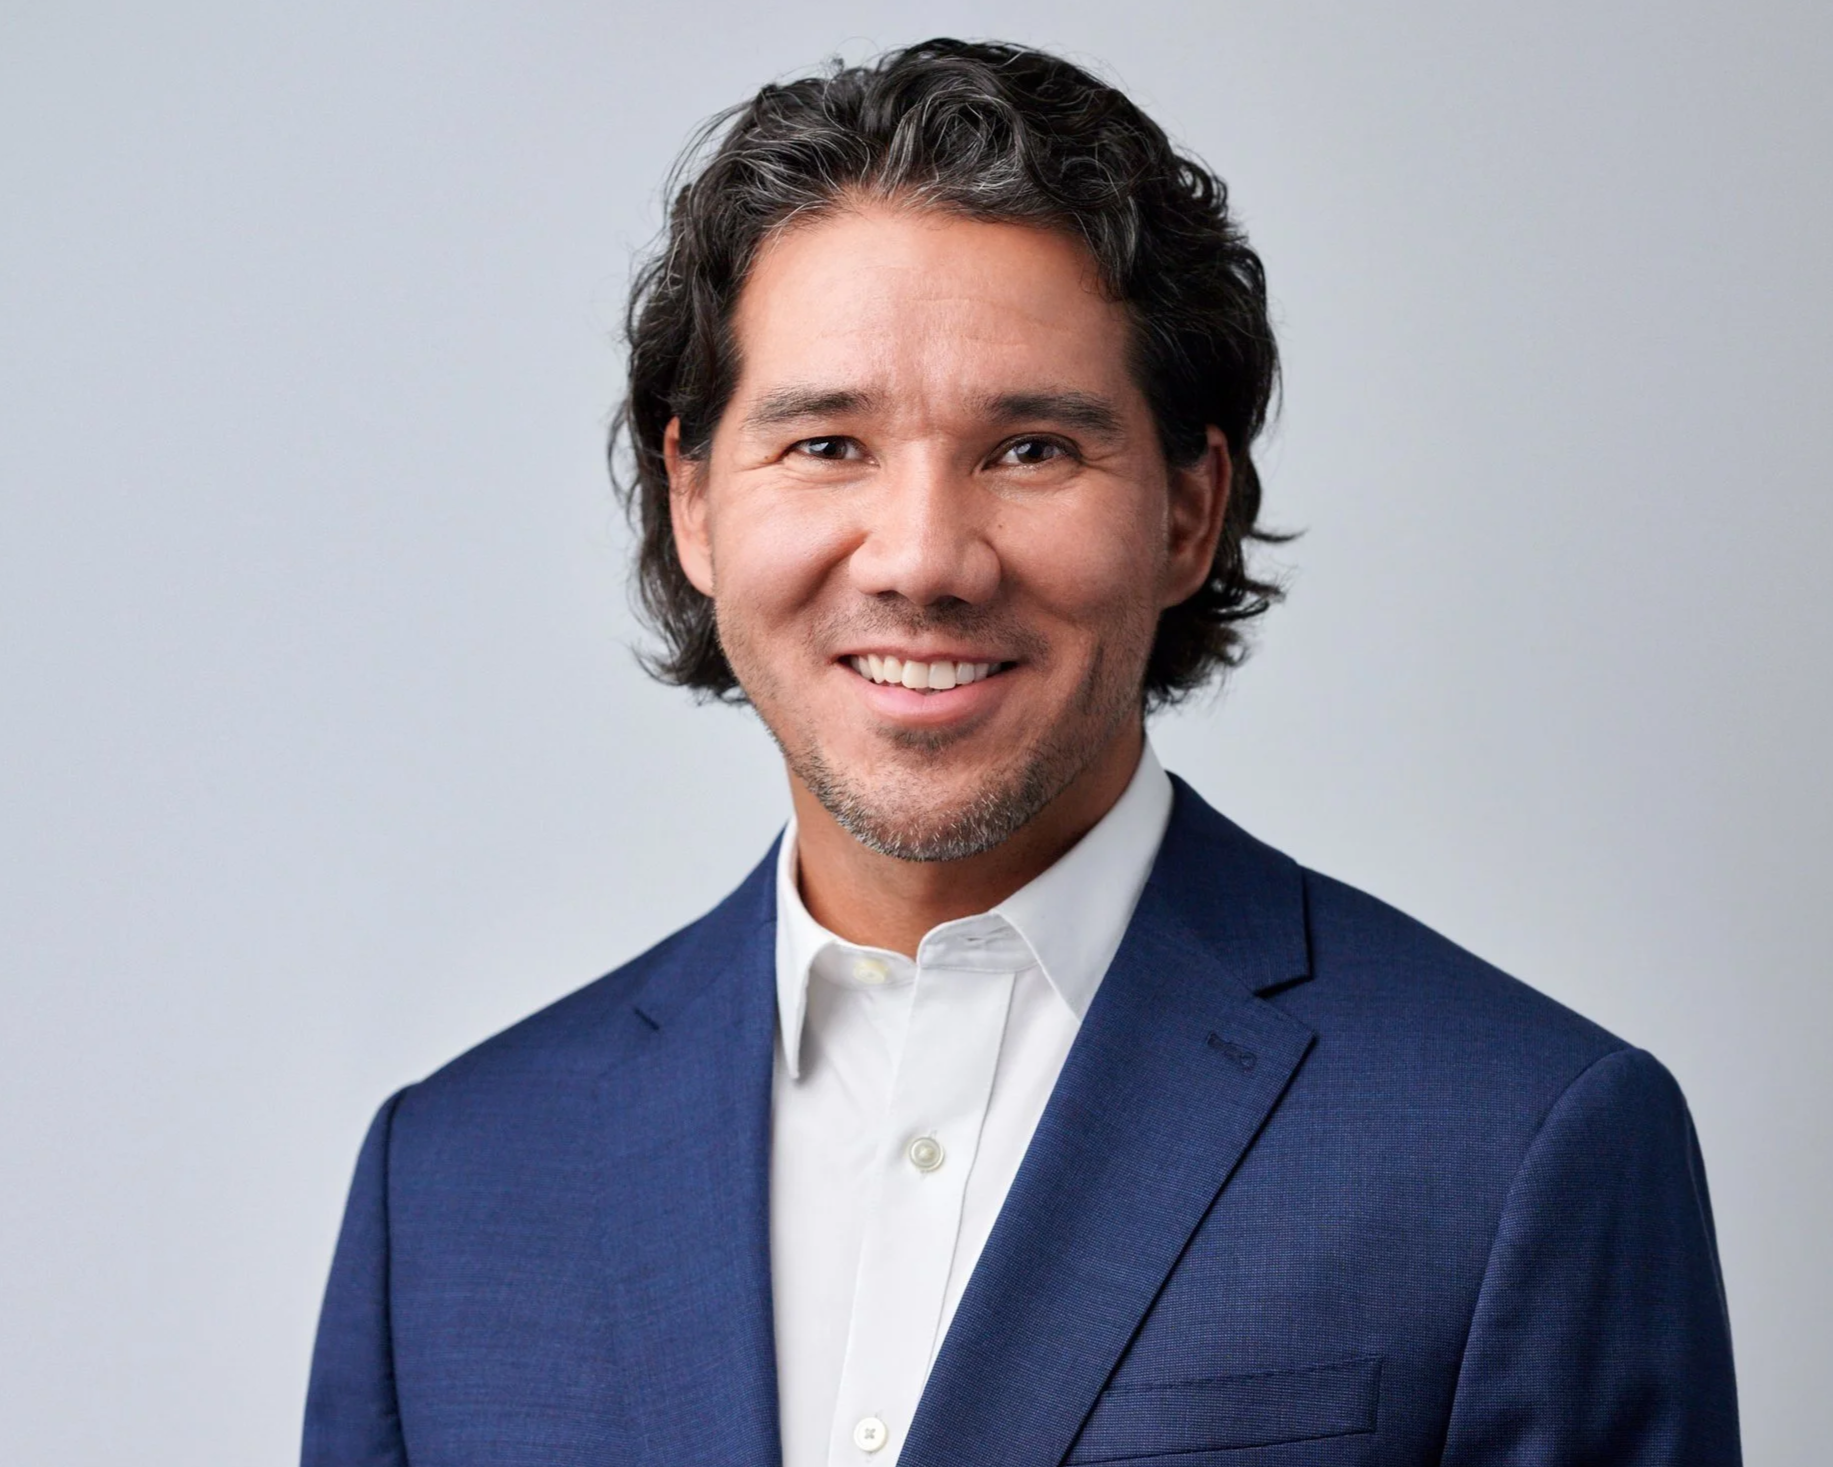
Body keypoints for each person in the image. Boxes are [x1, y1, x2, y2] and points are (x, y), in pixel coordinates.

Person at [302, 38, 1740, 1467]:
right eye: (826, 444)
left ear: (1189, 510)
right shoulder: (447, 1187)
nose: (924, 557)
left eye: (1033, 447)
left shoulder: (1517, 1144)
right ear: (694, 502)